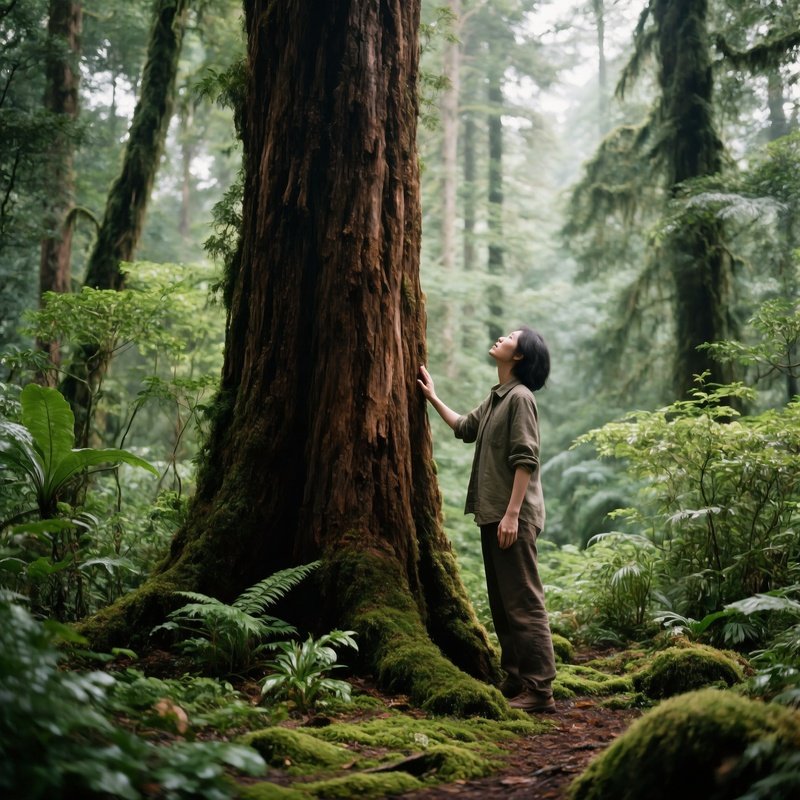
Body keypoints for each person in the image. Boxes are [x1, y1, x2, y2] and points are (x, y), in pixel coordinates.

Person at [418, 327, 557, 713]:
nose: (502, 337)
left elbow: (526, 458)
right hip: (493, 514)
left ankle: (540, 689)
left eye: (511, 336)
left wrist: (512, 515)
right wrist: (431, 397)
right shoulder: (498, 398)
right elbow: (465, 427)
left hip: (513, 516)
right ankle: (514, 678)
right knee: (501, 601)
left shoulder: (521, 399)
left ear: (520, 357)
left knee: (523, 601)